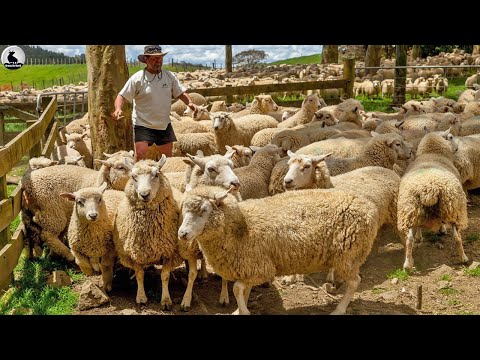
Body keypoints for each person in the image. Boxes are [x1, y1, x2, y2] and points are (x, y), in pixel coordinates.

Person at [112, 45, 197, 161]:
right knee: (141, 154)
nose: (158, 61)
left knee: (167, 158)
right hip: (143, 123)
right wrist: (118, 109)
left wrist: (190, 102)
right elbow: (121, 95)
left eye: (160, 58)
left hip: (163, 123)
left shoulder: (169, 76)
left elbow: (180, 92)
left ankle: (165, 177)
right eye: (154, 58)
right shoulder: (137, 78)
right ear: (146, 60)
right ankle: (137, 176)